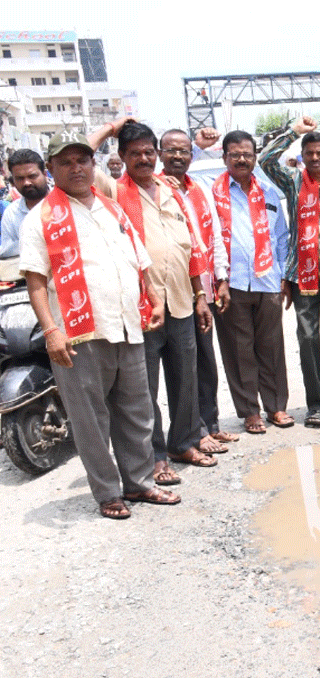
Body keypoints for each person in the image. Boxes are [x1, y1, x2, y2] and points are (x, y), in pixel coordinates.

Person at [18, 131, 176, 519]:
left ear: (94, 164)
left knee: (137, 411)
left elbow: (138, 261)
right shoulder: (41, 219)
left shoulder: (112, 207)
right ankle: (108, 493)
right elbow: (36, 279)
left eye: (83, 160)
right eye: (66, 162)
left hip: (126, 325)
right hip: (79, 334)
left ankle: (139, 484)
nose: (76, 168)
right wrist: (51, 330)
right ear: (51, 168)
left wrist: (154, 298)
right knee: (90, 420)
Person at [88, 120, 219, 486]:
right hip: (142, 308)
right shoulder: (113, 190)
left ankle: (184, 443)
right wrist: (113, 126)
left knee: (186, 380)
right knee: (144, 390)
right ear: (123, 157)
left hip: (181, 301)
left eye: (149, 152)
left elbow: (188, 243)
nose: (144, 159)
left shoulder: (169, 189)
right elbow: (84, 152)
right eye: (136, 153)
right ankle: (156, 456)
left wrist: (200, 296)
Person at [261, 116, 320, 428]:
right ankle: (316, 404)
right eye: (309, 153)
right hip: (304, 276)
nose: (314, 158)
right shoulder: (293, 182)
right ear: (302, 156)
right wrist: (293, 132)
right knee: (308, 338)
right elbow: (266, 159)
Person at [158, 127, 238, 446]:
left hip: (203, 289)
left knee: (206, 361)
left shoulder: (198, 190)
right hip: (176, 291)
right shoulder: (155, 190)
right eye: (171, 150)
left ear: (192, 156)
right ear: (160, 154)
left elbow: (214, 236)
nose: (178, 156)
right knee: (183, 368)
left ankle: (211, 421)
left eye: (184, 151)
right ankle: (196, 432)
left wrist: (220, 279)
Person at [210, 130, 292, 434]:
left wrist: (283, 275)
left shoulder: (269, 193)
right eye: (235, 154)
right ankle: (250, 412)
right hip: (231, 284)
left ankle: (276, 407)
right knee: (238, 349)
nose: (241, 159)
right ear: (225, 158)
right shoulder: (213, 194)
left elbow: (281, 238)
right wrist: (219, 278)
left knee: (271, 347)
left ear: (255, 157)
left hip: (268, 281)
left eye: (247, 154)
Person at [1, 150, 50, 280]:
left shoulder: (63, 204)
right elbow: (6, 250)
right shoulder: (11, 212)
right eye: (19, 178)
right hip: (28, 279)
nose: (26, 183)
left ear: (44, 174)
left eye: (32, 176)